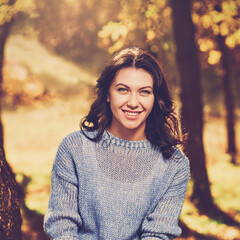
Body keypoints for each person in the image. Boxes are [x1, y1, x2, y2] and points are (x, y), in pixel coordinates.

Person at [44, 47, 190, 240]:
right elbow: (62, 225)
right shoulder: (74, 148)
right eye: (123, 90)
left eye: (144, 92)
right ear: (107, 94)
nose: (133, 102)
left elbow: (158, 233)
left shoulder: (175, 164)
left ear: (155, 99)